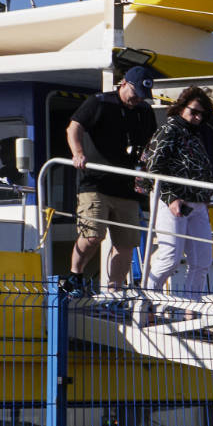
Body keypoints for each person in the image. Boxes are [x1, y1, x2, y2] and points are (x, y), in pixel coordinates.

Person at [138, 85, 213, 305]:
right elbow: (154, 169)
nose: (197, 117)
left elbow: (196, 168)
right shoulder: (169, 130)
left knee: (201, 261)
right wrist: (170, 198)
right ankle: (144, 304)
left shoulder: (195, 134)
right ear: (181, 108)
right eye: (193, 112)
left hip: (196, 203)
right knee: (169, 259)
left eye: (202, 114)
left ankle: (192, 311)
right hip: (171, 202)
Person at [65, 65, 158, 293]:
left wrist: (148, 169)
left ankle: (115, 291)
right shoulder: (100, 102)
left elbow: (151, 144)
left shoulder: (144, 111)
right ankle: (74, 276)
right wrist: (78, 153)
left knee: (126, 243)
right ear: (124, 84)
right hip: (95, 182)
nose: (138, 99)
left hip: (127, 186)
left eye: (142, 96)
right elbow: (74, 126)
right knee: (93, 235)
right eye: (135, 94)